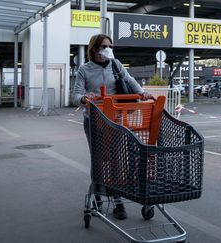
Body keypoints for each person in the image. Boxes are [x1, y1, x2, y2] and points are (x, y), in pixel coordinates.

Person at [74, 34, 151, 220]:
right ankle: (98, 196)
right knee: (98, 160)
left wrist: (142, 93)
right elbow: (76, 95)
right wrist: (85, 98)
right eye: (103, 46)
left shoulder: (115, 64)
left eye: (110, 45)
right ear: (94, 49)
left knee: (116, 160)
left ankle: (118, 202)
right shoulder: (84, 70)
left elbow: (130, 80)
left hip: (116, 120)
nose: (108, 49)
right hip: (94, 120)